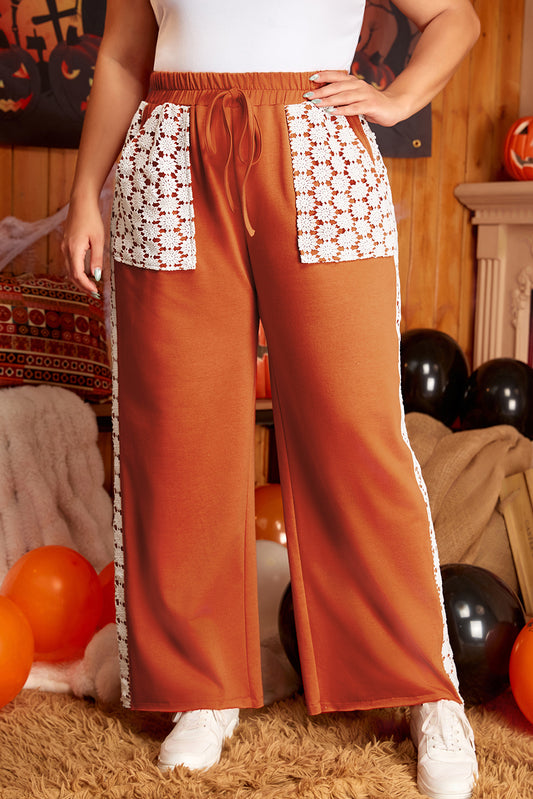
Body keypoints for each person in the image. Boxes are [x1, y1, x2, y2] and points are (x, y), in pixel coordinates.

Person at [62, 2, 481, 797]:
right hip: (170, 157)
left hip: (316, 150)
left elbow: (455, 20)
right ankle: (202, 688)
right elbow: (120, 56)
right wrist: (85, 190)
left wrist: (397, 99)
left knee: (354, 430)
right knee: (177, 433)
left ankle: (427, 690)